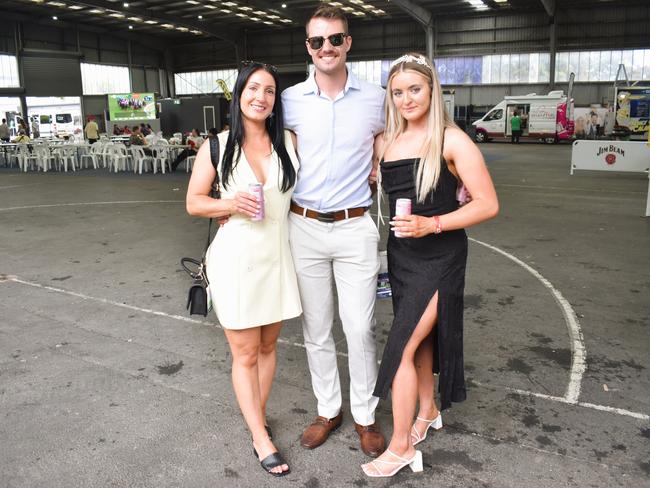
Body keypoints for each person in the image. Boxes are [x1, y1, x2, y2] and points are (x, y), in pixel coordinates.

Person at [361, 53, 499, 478]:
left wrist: (433, 222)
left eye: (414, 89)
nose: (406, 99)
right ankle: (428, 410)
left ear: (433, 89)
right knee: (419, 343)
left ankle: (402, 446)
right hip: (402, 256)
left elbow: (489, 204)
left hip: (440, 257)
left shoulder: (453, 141)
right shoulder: (386, 142)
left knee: (401, 346)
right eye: (397, 92)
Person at [281, 5, 386, 458]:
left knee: (360, 327)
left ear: (349, 43)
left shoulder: (376, 98)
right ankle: (330, 409)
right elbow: (262, 148)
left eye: (335, 39)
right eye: (317, 41)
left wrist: (381, 157)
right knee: (316, 326)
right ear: (308, 46)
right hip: (303, 225)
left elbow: (397, 136)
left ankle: (365, 415)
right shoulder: (289, 100)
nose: (327, 47)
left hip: (354, 225)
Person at [186, 61, 299, 477]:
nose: (261, 97)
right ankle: (259, 435)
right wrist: (229, 204)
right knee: (245, 352)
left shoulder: (288, 141)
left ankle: (258, 416)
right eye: (253, 88)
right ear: (239, 95)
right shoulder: (217, 145)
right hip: (235, 260)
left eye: (269, 90)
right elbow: (195, 202)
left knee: (269, 347)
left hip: (277, 257)